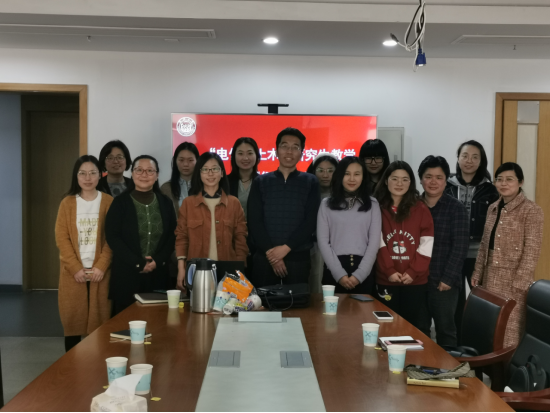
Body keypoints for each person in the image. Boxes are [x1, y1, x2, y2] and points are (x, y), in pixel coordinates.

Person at [472, 163, 544, 348]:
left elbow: (532, 250)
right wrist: (477, 272)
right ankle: (489, 365)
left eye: (509, 179)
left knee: (509, 332)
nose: (503, 183)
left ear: (520, 182)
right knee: (489, 328)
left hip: (514, 281)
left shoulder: (531, 210)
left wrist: (520, 283)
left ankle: (508, 366)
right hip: (489, 278)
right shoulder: (493, 208)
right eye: (499, 179)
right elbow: (484, 245)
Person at [248, 127, 321, 288]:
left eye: (295, 147)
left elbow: (311, 220)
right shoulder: (261, 182)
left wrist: (286, 248)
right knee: (263, 302)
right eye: (284, 146)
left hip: (298, 258)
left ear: (302, 152)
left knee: (298, 301)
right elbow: (254, 221)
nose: (289, 151)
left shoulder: (311, 182)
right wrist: (272, 255)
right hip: (265, 258)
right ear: (276, 151)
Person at [106, 155, 177, 315]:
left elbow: (173, 235)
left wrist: (157, 260)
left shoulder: (166, 203)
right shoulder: (119, 203)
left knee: (158, 321)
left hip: (158, 274)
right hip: (127, 275)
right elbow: (113, 237)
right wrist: (138, 262)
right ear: (132, 173)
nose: (144, 174)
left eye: (150, 171)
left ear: (157, 175)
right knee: (125, 323)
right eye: (139, 170)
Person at [55, 155, 113, 352]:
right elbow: (62, 239)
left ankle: (97, 367)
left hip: (100, 273)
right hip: (74, 274)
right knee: (73, 324)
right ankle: (72, 368)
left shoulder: (108, 202)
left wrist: (102, 266)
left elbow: (112, 239)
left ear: (100, 175)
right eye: (82, 173)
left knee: (100, 326)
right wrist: (75, 268)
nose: (87, 178)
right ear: (76, 176)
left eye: (92, 173)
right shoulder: (67, 203)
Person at [445, 140, 499, 340]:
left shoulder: (490, 189)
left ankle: (479, 342)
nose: (469, 161)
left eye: (475, 157)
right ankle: (458, 342)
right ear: (458, 158)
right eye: (465, 156)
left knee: (481, 300)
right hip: (452, 252)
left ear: (481, 161)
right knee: (454, 301)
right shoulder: (447, 186)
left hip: (478, 254)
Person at [374, 161, 433, 337]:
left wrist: (414, 271)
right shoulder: (376, 207)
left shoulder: (420, 208)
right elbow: (377, 241)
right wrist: (389, 270)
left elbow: (427, 243)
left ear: (411, 182)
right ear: (386, 181)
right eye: (395, 178)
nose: (399, 183)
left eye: (405, 179)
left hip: (414, 281)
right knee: (387, 328)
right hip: (386, 279)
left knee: (411, 329)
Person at [175, 153, 249, 290]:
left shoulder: (234, 203)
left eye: (215, 169)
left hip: (228, 270)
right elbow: (182, 238)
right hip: (197, 269)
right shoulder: (188, 204)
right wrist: (181, 269)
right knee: (197, 303)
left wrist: (239, 270)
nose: (210, 173)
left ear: (222, 173)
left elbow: (240, 239)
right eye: (205, 169)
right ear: (199, 174)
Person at [419, 156, 469, 348]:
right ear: (421, 179)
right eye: (428, 176)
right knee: (418, 330)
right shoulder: (413, 206)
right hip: (417, 281)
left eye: (439, 177)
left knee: (446, 330)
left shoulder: (456, 208)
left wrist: (448, 279)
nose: (433, 181)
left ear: (446, 180)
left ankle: (448, 366)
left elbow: (460, 247)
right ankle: (420, 365)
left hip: (443, 283)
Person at [317, 157, 381, 294]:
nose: (352, 179)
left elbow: (374, 243)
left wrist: (360, 274)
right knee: (332, 309)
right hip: (333, 269)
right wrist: (339, 274)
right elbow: (323, 241)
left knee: (364, 308)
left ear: (363, 177)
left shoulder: (373, 204)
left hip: (364, 270)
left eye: (357, 174)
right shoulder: (326, 204)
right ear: (340, 176)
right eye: (347, 174)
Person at [307, 152, 339, 293]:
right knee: (314, 281)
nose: (325, 175)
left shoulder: (343, 196)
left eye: (330, 171)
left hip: (337, 246)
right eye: (320, 170)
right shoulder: (307, 194)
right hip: (313, 247)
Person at [161, 142, 200, 216]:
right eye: (181, 160)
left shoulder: (205, 187)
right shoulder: (166, 188)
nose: (185, 164)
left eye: (190, 160)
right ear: (175, 161)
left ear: (197, 161)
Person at [228, 137, 260, 218]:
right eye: (240, 153)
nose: (245, 158)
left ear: (257, 156)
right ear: (233, 156)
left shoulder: (263, 183)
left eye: (250, 153)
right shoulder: (225, 182)